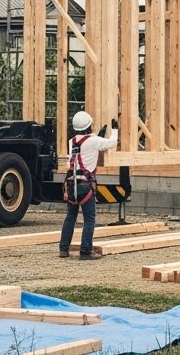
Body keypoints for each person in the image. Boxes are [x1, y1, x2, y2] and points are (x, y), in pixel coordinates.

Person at [58, 110, 118, 260]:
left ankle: (63, 249)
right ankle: (85, 251)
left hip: (71, 184)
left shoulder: (72, 141)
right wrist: (115, 129)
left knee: (70, 216)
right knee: (89, 218)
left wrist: (98, 135)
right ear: (89, 125)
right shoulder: (94, 141)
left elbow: (85, 147)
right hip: (85, 186)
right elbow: (111, 143)